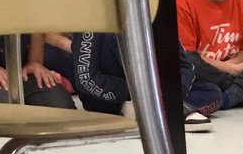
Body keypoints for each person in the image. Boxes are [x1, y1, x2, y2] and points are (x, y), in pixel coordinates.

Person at [45, 32, 223, 131]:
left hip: (152, 87)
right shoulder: (93, 15)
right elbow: (86, 79)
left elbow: (184, 65)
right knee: (118, 38)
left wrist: (174, 92)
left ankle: (163, 105)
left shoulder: (155, 10)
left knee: (212, 93)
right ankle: (163, 108)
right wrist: (138, 94)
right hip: (112, 96)